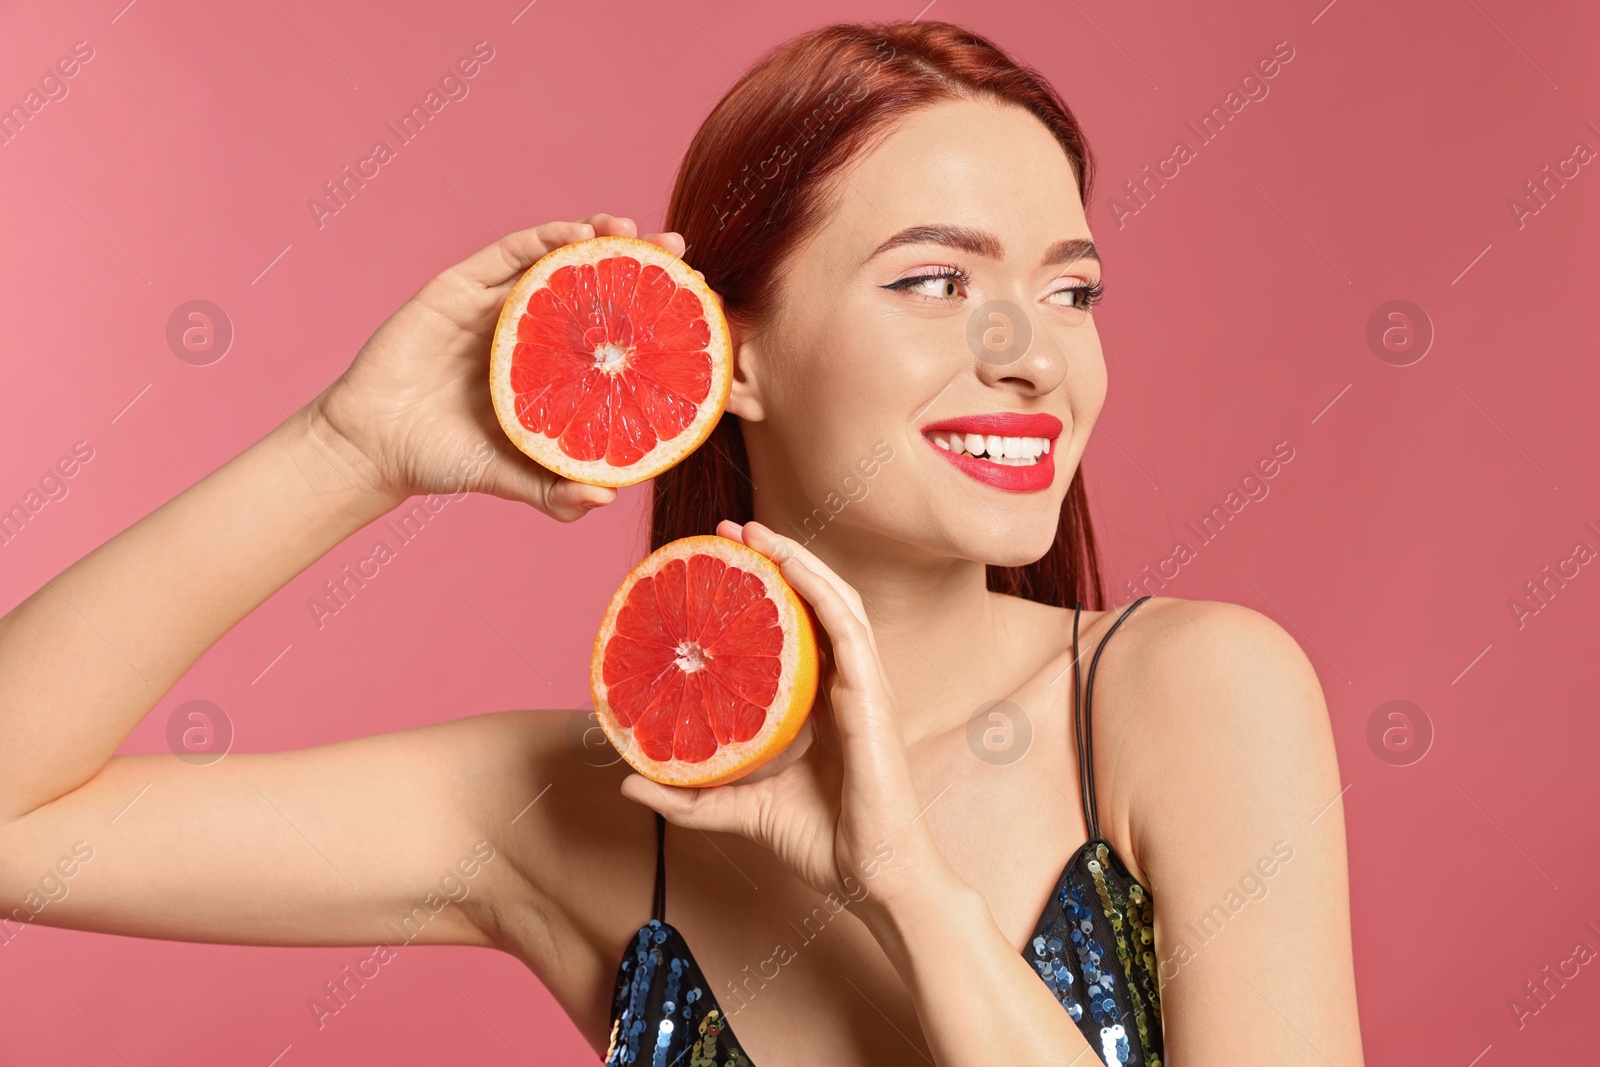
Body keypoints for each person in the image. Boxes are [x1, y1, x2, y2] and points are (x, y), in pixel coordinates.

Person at [0, 20, 1363, 1066]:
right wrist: (348, 451)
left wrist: (903, 887)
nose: (1033, 356)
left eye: (1072, 289)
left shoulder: (1189, 695)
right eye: (937, 282)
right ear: (737, 354)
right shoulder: (578, 814)